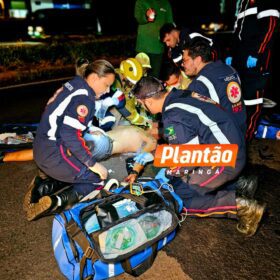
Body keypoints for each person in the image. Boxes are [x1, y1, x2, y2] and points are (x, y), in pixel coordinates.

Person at [131, 76, 265, 236]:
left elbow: (187, 158)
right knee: (180, 178)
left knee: (178, 196)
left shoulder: (172, 117)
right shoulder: (183, 94)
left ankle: (242, 207)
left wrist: (168, 174)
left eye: (142, 105)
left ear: (148, 101)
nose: (145, 109)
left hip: (226, 159)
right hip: (236, 147)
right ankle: (238, 185)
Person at [24, 59, 115, 221]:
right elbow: (70, 134)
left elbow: (63, 118)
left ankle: (40, 188)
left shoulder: (75, 83)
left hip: (40, 146)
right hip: (54, 154)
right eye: (106, 85)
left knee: (77, 171)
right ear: (94, 78)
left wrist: (87, 130)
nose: (108, 91)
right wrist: (93, 164)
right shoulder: (86, 99)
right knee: (96, 179)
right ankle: (53, 202)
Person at [225, 0, 279, 140]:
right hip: (239, 60)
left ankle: (247, 136)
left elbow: (270, 26)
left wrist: (258, 53)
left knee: (252, 101)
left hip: (256, 62)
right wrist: (231, 52)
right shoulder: (242, 3)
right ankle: (236, 135)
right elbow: (237, 31)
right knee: (238, 99)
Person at [182, 37, 247, 138]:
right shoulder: (230, 69)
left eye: (185, 60)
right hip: (241, 130)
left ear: (198, 59)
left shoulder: (199, 83)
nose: (183, 64)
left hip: (223, 139)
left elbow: (190, 118)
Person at [134, 0, 173, 78]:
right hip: (142, 48)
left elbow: (169, 24)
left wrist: (170, 47)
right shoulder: (141, 1)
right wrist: (146, 16)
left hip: (158, 48)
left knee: (154, 78)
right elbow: (138, 17)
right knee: (139, 76)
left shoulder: (165, 3)